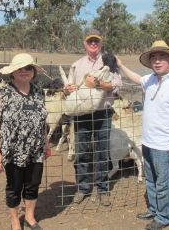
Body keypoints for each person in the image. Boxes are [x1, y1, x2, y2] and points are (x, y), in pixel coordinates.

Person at [116, 40, 169, 230]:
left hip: (165, 144)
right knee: (151, 179)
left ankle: (164, 217)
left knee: (164, 181)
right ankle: (155, 209)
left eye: (161, 57)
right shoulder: (150, 79)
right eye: (154, 58)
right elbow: (136, 78)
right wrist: (121, 66)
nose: (157, 61)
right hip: (148, 141)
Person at [0, 53, 49, 230]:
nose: (24, 71)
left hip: (35, 150)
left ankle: (30, 217)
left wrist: (45, 144)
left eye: (28, 68)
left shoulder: (39, 92)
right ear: (13, 72)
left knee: (33, 185)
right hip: (12, 151)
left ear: (33, 72)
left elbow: (42, 121)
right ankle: (15, 220)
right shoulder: (2, 93)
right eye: (20, 68)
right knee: (14, 187)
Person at [66, 29, 122, 206]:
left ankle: (102, 189)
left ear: (101, 43)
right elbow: (68, 88)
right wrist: (67, 89)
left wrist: (97, 83)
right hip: (82, 113)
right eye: (90, 41)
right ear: (84, 43)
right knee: (81, 152)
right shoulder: (76, 65)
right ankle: (82, 189)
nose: (93, 44)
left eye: (96, 41)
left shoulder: (110, 62)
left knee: (101, 152)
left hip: (103, 113)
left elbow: (117, 86)